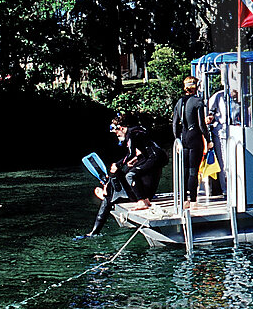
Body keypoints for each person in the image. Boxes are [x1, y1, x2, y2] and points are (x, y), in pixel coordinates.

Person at [83, 113, 165, 237]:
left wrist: (118, 164)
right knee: (128, 172)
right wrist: (135, 159)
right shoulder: (138, 130)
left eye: (116, 133)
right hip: (156, 157)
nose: (117, 136)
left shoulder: (131, 133)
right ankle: (136, 197)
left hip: (155, 158)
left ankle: (140, 200)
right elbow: (142, 149)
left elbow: (131, 153)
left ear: (121, 128)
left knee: (129, 176)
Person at [173, 76, 209, 209]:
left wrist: (177, 140)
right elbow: (201, 124)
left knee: (185, 170)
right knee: (194, 171)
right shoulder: (197, 101)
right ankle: (193, 201)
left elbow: (175, 123)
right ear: (196, 87)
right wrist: (208, 140)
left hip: (183, 137)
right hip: (194, 137)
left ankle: (184, 200)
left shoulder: (179, 102)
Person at [205, 87, 241, 196]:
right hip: (221, 133)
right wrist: (210, 117)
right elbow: (209, 112)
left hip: (237, 131)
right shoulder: (218, 96)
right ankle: (226, 189)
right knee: (223, 162)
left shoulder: (243, 95)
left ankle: (238, 188)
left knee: (237, 161)